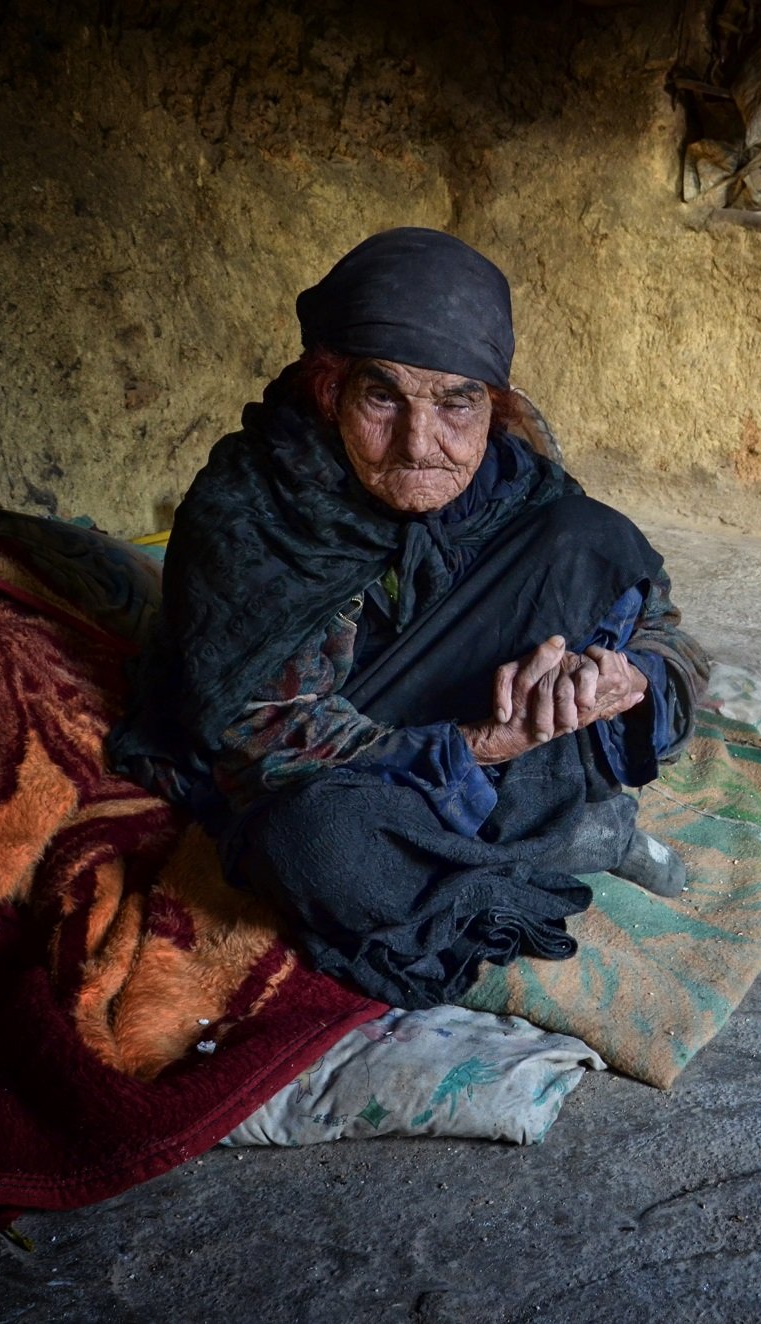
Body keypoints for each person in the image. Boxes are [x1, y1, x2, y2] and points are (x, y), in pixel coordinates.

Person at [111, 229, 707, 1010]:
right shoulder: (251, 511)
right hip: (343, 763)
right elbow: (258, 744)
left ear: (493, 407)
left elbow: (669, 637)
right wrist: (487, 746)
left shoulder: (513, 486)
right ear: (329, 392)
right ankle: (568, 837)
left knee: (591, 541)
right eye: (382, 398)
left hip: (445, 745)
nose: (420, 443)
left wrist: (625, 677)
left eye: (456, 403)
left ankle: (508, 821)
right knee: (313, 848)